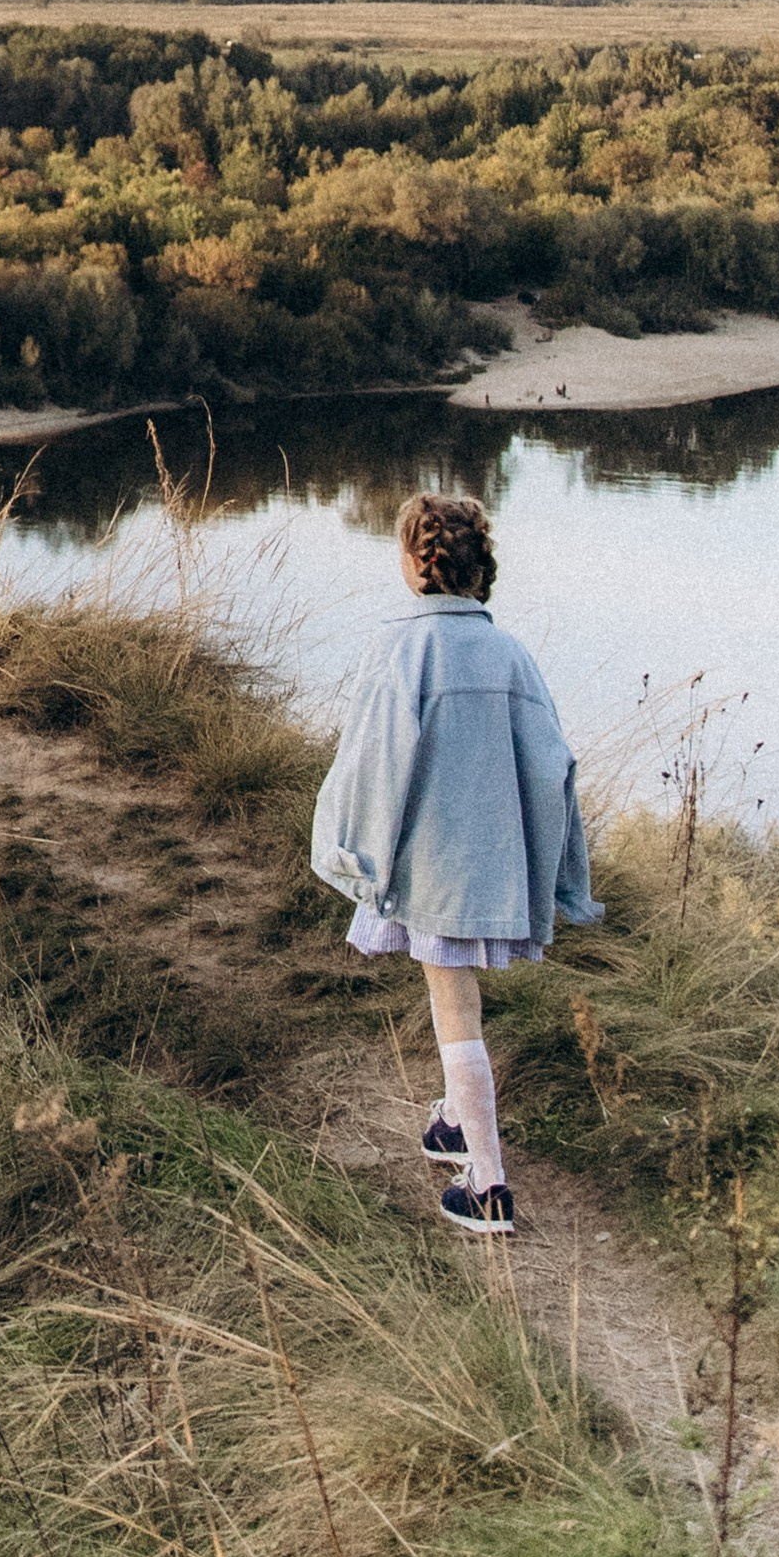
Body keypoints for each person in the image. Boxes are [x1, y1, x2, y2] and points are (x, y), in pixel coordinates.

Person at [311, 489, 602, 1240]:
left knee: (452, 1006)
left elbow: (372, 763)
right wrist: (555, 866)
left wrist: (354, 855)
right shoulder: (510, 652)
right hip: (492, 860)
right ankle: (448, 1122)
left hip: (429, 863)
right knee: (456, 995)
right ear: (477, 568)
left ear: (415, 563)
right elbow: (551, 765)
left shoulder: (401, 647)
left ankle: (486, 1183)